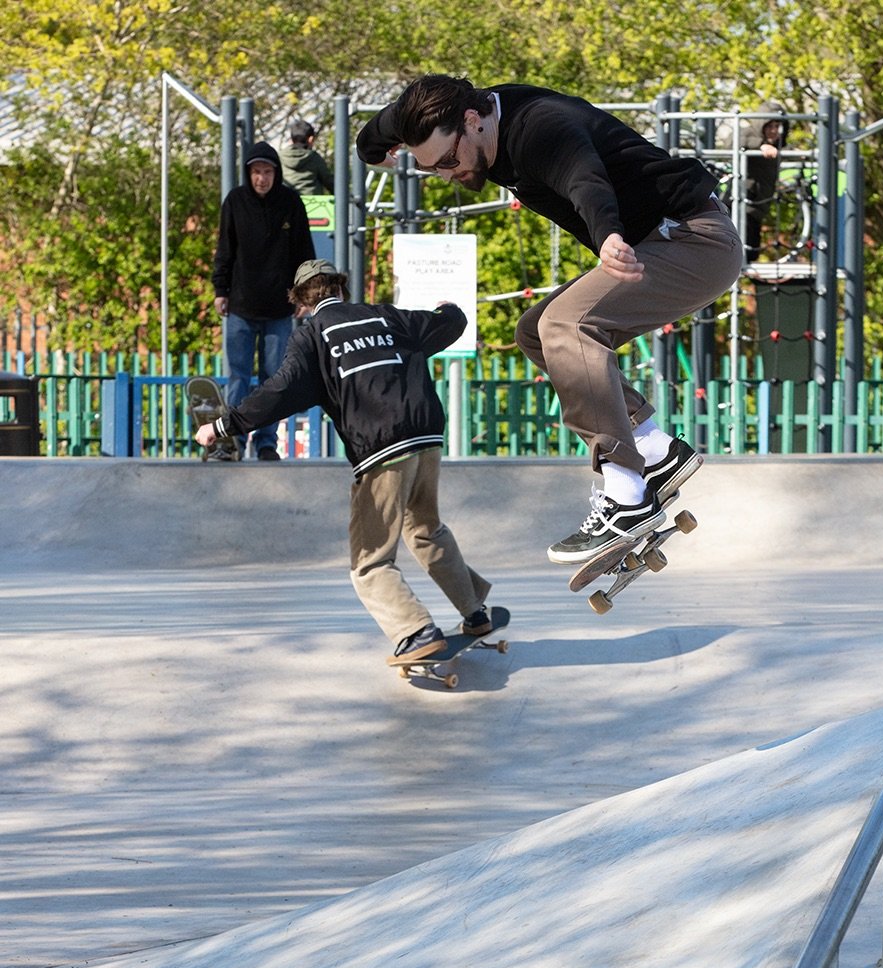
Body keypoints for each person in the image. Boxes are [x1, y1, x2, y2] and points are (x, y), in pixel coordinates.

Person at [357, 75, 743, 564]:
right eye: (431, 169)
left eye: (450, 161)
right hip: (655, 247)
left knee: (565, 324)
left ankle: (627, 495)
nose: (447, 174)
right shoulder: (437, 115)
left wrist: (606, 235)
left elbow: (586, 179)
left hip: (692, 241)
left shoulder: (540, 126)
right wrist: (370, 145)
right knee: (535, 332)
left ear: (472, 123)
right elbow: (388, 121)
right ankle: (655, 448)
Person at [195, 259, 492, 665]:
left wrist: (224, 425)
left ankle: (415, 631)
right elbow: (449, 323)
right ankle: (475, 611)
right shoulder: (385, 316)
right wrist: (450, 310)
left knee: (370, 561)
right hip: (426, 437)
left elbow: (278, 392)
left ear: (301, 302)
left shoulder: (313, 335)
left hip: (382, 449)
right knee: (426, 529)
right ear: (340, 289)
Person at [211, 141, 315, 462]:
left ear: (276, 173)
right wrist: (220, 290)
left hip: (279, 309)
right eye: (256, 172)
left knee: (273, 379)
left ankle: (267, 443)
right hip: (241, 306)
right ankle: (234, 442)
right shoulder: (236, 202)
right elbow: (224, 248)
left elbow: (304, 252)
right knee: (238, 377)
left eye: (267, 172)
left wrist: (305, 295)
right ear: (248, 174)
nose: (261, 179)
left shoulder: (290, 203)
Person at [740, 102, 789, 263]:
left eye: (777, 126)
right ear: (761, 126)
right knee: (743, 252)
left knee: (752, 253)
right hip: (743, 205)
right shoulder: (749, 134)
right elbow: (733, 142)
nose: (774, 131)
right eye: (770, 126)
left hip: (758, 208)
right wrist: (760, 146)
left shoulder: (778, 146)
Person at [280, 120, 334, 195]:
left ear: (292, 139)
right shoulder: (314, 158)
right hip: (312, 203)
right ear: (310, 139)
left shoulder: (280, 156)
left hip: (286, 202)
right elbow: (329, 181)